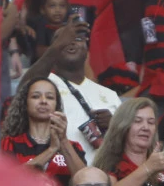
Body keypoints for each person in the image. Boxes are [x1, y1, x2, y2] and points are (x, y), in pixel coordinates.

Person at [20, 21, 121, 158]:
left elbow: (129, 142)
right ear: (53, 48)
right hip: (58, 172)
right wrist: (58, 44)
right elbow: (23, 89)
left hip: (102, 175)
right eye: (63, 39)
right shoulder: (44, 85)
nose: (70, 42)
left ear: (87, 49)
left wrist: (113, 126)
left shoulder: (110, 95)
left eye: (78, 39)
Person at [92, 97, 164, 185]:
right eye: (137, 121)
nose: (145, 127)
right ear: (122, 126)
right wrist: (148, 168)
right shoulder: (110, 166)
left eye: (151, 122)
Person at [0, 77, 87, 185]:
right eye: (36, 96)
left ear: (56, 105)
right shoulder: (10, 143)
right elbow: (7, 180)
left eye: (50, 97)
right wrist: (51, 149)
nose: (43, 101)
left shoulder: (73, 147)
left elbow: (86, 181)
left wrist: (63, 141)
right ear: (25, 104)